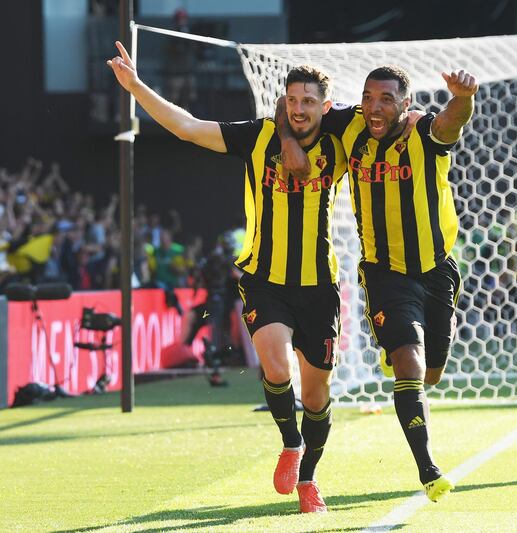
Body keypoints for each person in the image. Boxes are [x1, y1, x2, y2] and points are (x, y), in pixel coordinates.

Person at [107, 41, 347, 513]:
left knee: (317, 394)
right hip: (264, 278)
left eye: (308, 102)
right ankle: (291, 444)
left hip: (319, 286)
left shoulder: (344, 141)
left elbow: (386, 124)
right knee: (277, 367)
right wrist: (136, 86)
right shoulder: (256, 136)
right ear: (284, 101)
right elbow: (187, 127)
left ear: (325, 104)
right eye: (292, 100)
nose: (299, 110)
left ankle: (310, 479)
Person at [279, 65, 477, 502]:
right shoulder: (351, 126)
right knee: (408, 364)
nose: (374, 106)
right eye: (368, 97)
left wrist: (462, 98)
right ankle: (428, 471)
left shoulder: (424, 132)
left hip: (435, 269)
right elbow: (290, 108)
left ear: (405, 104)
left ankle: (407, 356)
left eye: (386, 99)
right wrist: (290, 142)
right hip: (384, 272)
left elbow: (452, 121)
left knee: (430, 373)